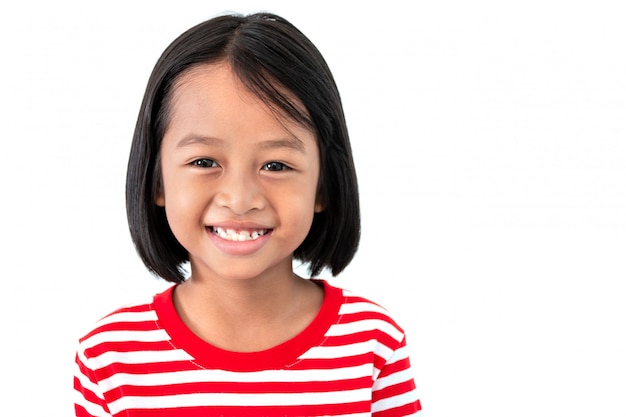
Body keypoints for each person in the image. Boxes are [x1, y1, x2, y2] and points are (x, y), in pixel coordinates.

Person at [73, 11, 423, 417]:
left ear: (324, 186)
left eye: (276, 165)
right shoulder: (111, 357)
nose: (240, 200)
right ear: (156, 181)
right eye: (204, 161)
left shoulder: (371, 342)